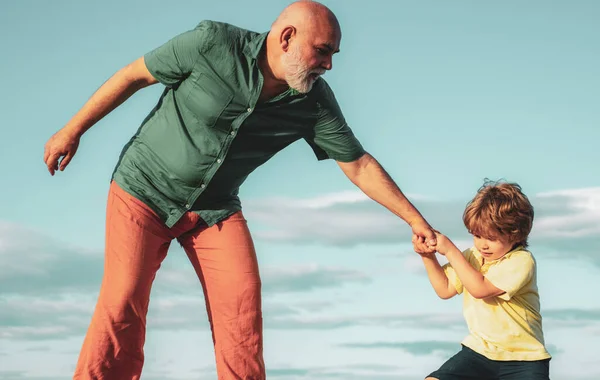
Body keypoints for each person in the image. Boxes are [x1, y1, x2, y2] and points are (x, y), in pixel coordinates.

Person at [43, 1, 437, 379]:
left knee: (242, 309)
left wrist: (414, 220)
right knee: (122, 303)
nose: (329, 65)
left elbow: (359, 164)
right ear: (286, 38)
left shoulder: (314, 102)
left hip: (215, 210)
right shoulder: (211, 43)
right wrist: (72, 130)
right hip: (143, 191)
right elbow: (134, 75)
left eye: (333, 54)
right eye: (322, 51)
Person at [412, 180, 551, 380]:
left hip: (525, 359)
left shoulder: (521, 261)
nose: (483, 245)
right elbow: (445, 289)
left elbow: (480, 289)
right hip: (479, 352)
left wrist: (450, 250)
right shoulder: (472, 257)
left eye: (492, 238)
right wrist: (427, 256)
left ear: (516, 234)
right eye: (477, 236)